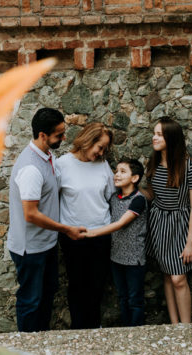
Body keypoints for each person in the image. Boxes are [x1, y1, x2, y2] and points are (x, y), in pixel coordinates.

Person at [7, 108, 87, 332]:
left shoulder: (48, 155)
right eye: (59, 134)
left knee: (47, 294)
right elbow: (30, 214)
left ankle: (42, 341)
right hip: (30, 249)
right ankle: (28, 346)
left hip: (47, 244)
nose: (64, 138)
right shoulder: (31, 168)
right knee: (31, 301)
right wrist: (66, 229)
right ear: (43, 135)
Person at [56, 122, 115, 329]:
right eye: (100, 147)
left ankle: (94, 330)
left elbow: (109, 196)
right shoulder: (62, 164)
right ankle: (78, 332)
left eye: (105, 149)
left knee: (97, 287)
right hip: (73, 236)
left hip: (100, 234)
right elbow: (53, 198)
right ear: (88, 140)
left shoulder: (103, 166)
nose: (101, 153)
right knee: (77, 286)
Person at [145, 116, 192, 324]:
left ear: (171, 138)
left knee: (178, 278)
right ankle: (174, 325)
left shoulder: (188, 167)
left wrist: (190, 243)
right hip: (159, 223)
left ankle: (186, 328)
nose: (154, 137)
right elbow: (153, 195)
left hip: (180, 225)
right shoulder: (153, 162)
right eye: (154, 133)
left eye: (159, 134)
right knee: (167, 275)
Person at [86, 158, 148, 327]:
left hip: (134, 259)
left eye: (122, 172)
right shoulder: (114, 197)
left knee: (135, 299)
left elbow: (120, 223)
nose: (117, 175)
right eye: (116, 171)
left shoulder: (138, 200)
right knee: (122, 297)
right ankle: (125, 331)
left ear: (134, 178)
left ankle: (136, 332)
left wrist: (91, 233)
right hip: (116, 257)